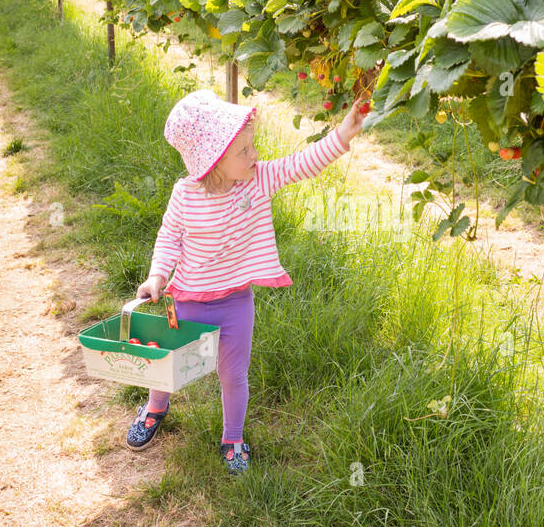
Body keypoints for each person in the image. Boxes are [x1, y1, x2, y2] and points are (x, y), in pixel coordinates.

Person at [129, 87, 366, 473]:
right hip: (187, 299)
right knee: (168, 362)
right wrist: (157, 276)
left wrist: (342, 135)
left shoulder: (257, 180)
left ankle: (233, 436)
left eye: (252, 146)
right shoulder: (185, 195)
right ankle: (156, 406)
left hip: (235, 303)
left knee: (233, 374)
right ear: (213, 160)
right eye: (244, 151)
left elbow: (300, 164)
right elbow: (169, 236)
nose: (254, 155)